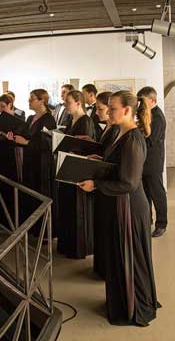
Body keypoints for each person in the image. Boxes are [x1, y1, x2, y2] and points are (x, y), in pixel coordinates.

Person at [78, 91, 159, 326]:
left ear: (127, 110)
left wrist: (95, 185)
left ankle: (133, 307)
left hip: (129, 208)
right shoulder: (120, 133)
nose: (108, 112)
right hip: (120, 205)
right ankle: (123, 301)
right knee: (120, 257)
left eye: (112, 108)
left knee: (129, 259)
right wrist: (100, 160)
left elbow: (128, 183)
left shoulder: (133, 138)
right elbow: (118, 166)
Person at [56, 90, 96, 259]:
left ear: (78, 103)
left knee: (76, 208)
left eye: (68, 102)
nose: (65, 105)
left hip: (78, 170)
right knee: (67, 206)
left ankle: (78, 247)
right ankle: (67, 244)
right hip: (69, 166)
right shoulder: (70, 119)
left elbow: (84, 148)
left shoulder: (86, 121)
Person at [9, 89, 56, 226]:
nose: (29, 101)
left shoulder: (48, 119)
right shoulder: (30, 118)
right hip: (29, 160)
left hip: (41, 163)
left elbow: (48, 143)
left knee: (40, 193)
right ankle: (31, 226)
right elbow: (22, 135)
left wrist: (27, 142)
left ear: (42, 101)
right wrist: (13, 137)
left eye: (32, 99)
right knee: (29, 192)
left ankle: (43, 228)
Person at [92, 91, 120, 278]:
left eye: (100, 109)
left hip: (108, 186)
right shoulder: (109, 128)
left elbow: (114, 163)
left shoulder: (118, 131)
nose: (98, 113)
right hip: (104, 184)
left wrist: (96, 183)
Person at [137, 86, 168, 238]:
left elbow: (150, 141)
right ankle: (147, 221)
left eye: (143, 101)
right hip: (144, 161)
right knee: (145, 194)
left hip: (153, 162)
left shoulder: (158, 117)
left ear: (152, 100)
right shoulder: (146, 113)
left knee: (157, 194)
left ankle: (161, 224)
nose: (141, 104)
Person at [0, 94, 22, 228]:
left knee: (10, 185)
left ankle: (12, 219)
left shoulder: (18, 119)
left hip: (11, 155)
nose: (1, 109)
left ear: (10, 105)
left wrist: (8, 137)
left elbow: (20, 139)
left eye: (3, 106)